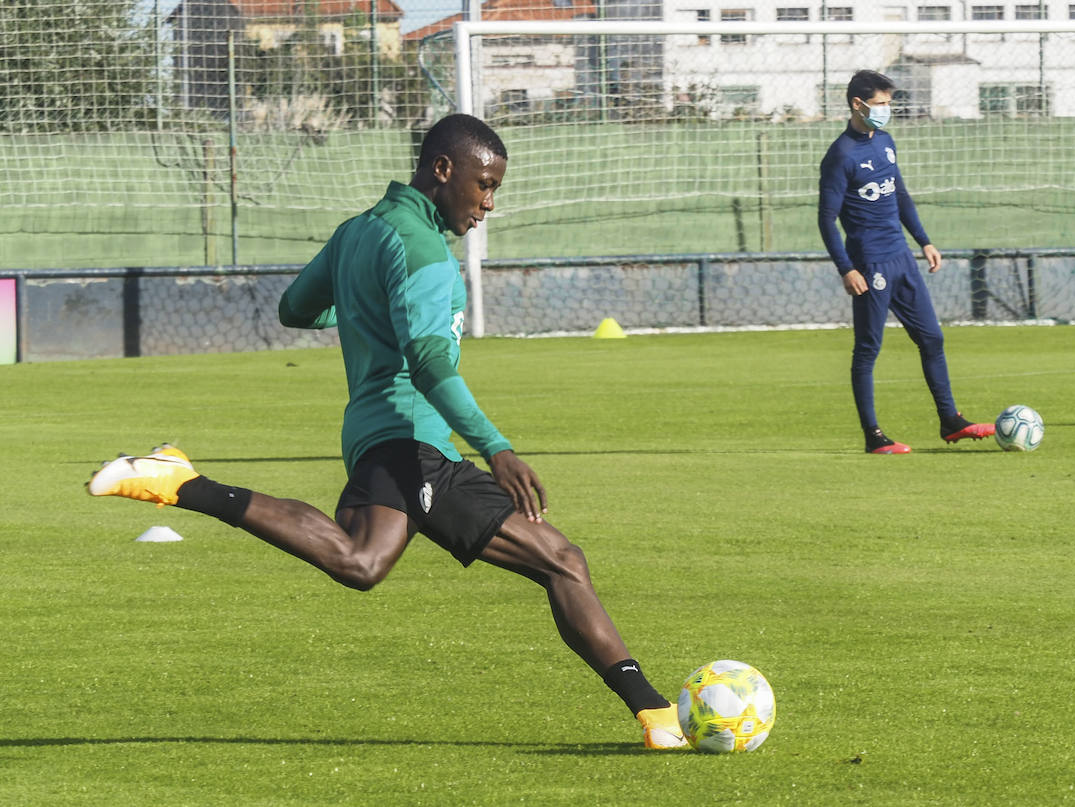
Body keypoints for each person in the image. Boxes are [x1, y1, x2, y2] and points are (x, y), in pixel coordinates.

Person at [87, 113, 686, 750]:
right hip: (413, 435)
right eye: (484, 185)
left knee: (376, 561)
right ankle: (184, 484)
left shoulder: (359, 231)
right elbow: (429, 365)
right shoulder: (424, 251)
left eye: (496, 190)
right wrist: (497, 448)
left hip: (376, 434)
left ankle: (653, 715)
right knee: (541, 561)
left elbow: (296, 308)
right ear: (443, 169)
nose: (488, 203)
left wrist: (369, 306)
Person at [818, 70, 994, 454]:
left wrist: (925, 241)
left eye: (888, 103)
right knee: (868, 348)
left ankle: (951, 421)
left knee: (932, 338)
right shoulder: (840, 156)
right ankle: (873, 436)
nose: (886, 110)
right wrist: (846, 267)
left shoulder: (884, 141)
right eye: (880, 103)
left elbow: (900, 195)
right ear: (857, 104)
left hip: (901, 258)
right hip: (870, 264)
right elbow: (826, 219)